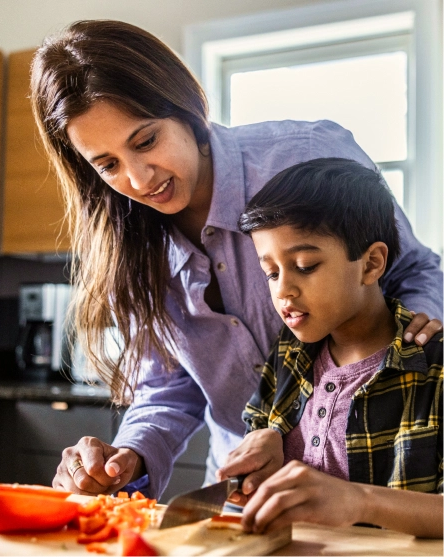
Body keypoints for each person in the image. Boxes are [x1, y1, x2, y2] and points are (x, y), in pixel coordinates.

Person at [29, 19, 443, 500]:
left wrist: (419, 345)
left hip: (375, 472)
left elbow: (412, 270)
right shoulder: (131, 242)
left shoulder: (304, 158)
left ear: (185, 108)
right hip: (245, 487)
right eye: (108, 165)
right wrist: (128, 458)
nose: (139, 180)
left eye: (145, 142)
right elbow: (167, 388)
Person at [216, 157, 442, 538]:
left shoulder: (433, 367)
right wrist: (266, 442)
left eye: (304, 265)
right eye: (271, 272)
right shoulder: (289, 353)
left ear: (371, 264)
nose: (282, 291)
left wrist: (359, 500)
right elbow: (253, 461)